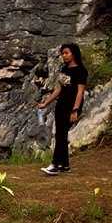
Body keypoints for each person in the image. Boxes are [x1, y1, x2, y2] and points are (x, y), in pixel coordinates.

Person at [35, 43, 88, 176]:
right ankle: (64, 165)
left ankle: (54, 164)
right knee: (60, 135)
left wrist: (75, 110)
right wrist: (45, 103)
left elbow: (80, 92)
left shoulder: (80, 70)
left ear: (73, 54)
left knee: (61, 135)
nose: (64, 56)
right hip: (61, 106)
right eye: (62, 53)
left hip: (72, 107)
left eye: (66, 53)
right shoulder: (64, 69)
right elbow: (58, 89)